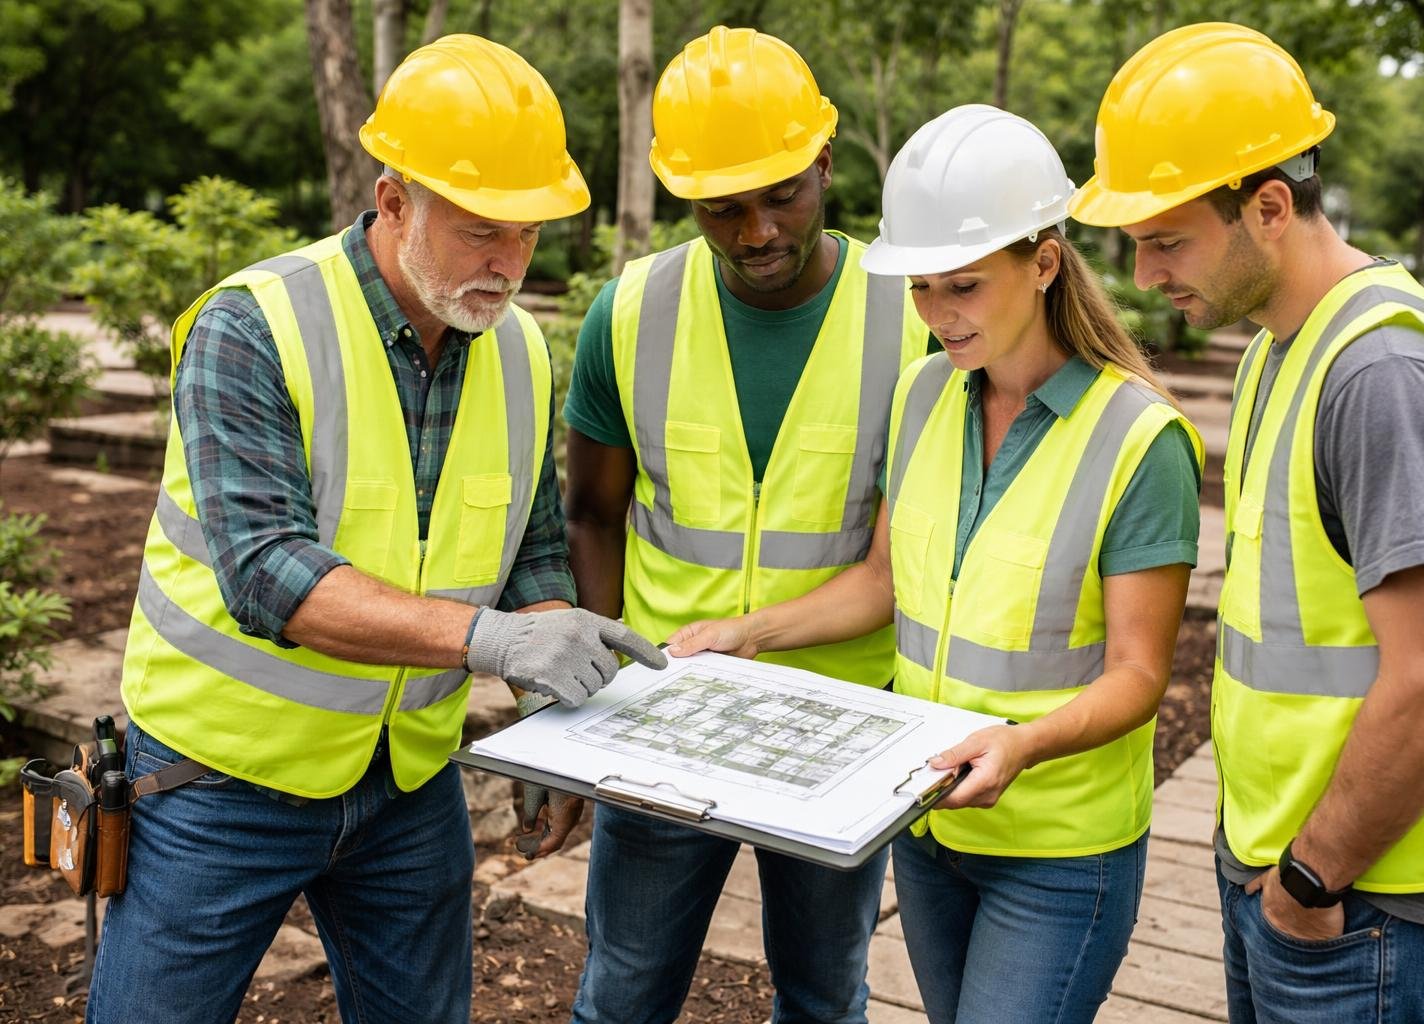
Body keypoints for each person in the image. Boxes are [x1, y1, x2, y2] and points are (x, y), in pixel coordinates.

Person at [87, 35, 663, 1024]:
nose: (508, 262)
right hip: (219, 783)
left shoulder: (521, 351)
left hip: (405, 781)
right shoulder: (253, 326)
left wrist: (553, 725)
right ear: (394, 201)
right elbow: (268, 573)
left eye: (527, 234)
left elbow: (528, 555)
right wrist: (497, 641)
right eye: (481, 228)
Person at [669, 104, 1204, 1024]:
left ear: (1043, 262)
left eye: (962, 286)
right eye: (920, 289)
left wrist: (1022, 744)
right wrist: (744, 633)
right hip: (926, 825)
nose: (937, 315)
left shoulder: (1139, 441)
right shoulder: (924, 395)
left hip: (1059, 852)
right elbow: (882, 582)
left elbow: (1140, 675)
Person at [1069, 21, 1424, 1023]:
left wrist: (1312, 880)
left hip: (1374, 900)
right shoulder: (1284, 348)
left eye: (1165, 240)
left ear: (1270, 206)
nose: (1144, 277)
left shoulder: (1386, 376)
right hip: (1306, 875)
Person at [561, 25, 931, 1024]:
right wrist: (594, 700)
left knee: (823, 996)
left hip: (837, 727)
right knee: (625, 990)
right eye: (723, 208)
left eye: (783, 196)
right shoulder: (630, 313)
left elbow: (907, 559)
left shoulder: (910, 319)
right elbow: (591, 515)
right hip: (659, 722)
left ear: (825, 163)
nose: (758, 230)